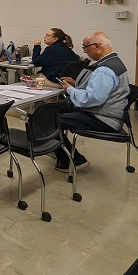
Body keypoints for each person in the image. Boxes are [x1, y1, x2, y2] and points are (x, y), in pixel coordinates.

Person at [54, 32, 130, 172]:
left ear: (96, 46)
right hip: (108, 114)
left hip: (104, 119)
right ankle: (60, 147)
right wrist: (77, 84)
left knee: (52, 121)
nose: (84, 51)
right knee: (60, 109)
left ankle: (74, 160)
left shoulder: (104, 70)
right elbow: (102, 91)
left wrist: (70, 89)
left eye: (85, 48)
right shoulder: (115, 61)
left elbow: (91, 99)